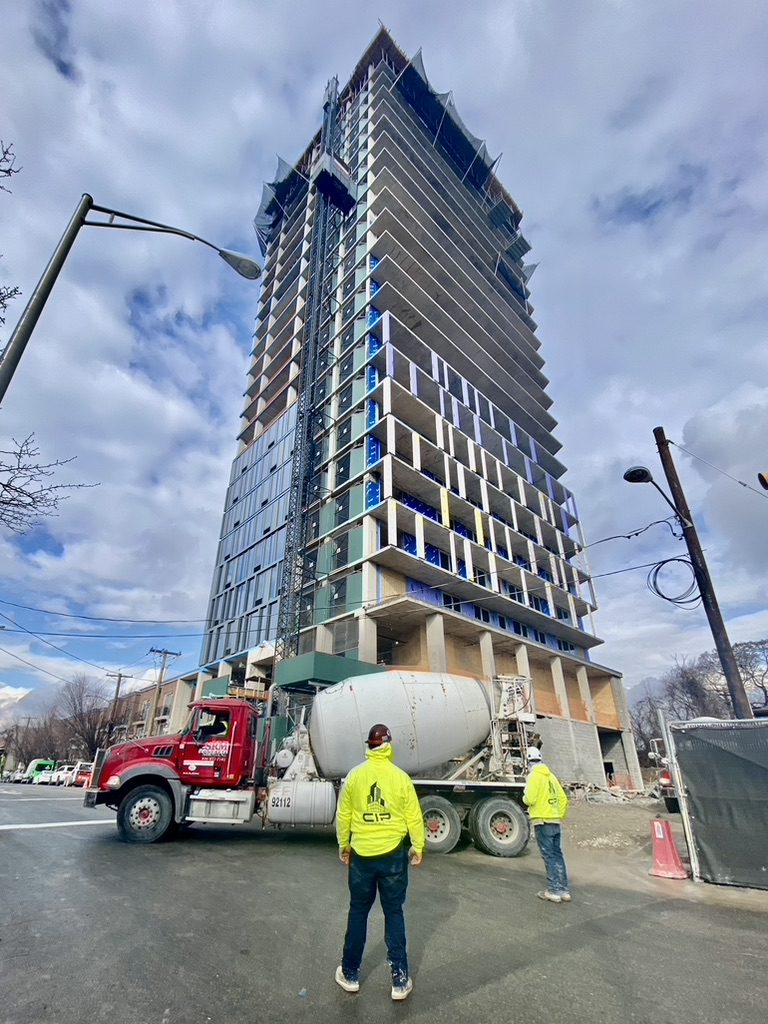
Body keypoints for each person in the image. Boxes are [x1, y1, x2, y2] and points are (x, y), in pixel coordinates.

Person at [335, 723, 426, 1002]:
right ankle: (400, 980)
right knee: (394, 913)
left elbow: (343, 815)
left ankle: (350, 974)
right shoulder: (400, 778)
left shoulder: (354, 776)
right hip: (393, 857)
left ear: (369, 745)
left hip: (361, 857)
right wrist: (418, 846)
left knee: (358, 912)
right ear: (389, 745)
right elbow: (413, 815)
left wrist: (344, 845)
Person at [523, 746, 571, 903]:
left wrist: (524, 799)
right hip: (554, 820)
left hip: (542, 820)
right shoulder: (551, 776)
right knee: (558, 854)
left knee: (548, 855)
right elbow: (563, 798)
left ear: (528, 761)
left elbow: (529, 799)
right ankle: (564, 890)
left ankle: (553, 890)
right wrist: (559, 815)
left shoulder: (533, 776)